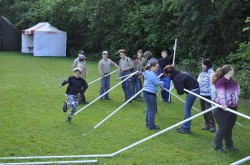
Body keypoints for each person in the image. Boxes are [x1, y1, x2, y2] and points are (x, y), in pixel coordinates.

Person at [212, 65, 240, 153]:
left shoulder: (233, 81)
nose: (234, 71)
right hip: (221, 109)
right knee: (222, 127)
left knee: (229, 127)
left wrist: (235, 99)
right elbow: (221, 94)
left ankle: (229, 145)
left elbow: (238, 92)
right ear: (229, 71)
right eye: (233, 70)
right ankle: (218, 146)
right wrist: (224, 105)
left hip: (233, 108)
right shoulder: (221, 82)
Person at [164, 65, 200, 134]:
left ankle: (186, 128)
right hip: (194, 87)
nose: (167, 76)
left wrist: (177, 87)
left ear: (169, 74)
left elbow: (180, 92)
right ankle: (184, 126)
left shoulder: (176, 78)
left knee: (187, 109)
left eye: (166, 75)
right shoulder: (177, 73)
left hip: (193, 90)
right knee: (187, 108)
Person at [143, 58, 164, 130]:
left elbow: (155, 80)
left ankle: (148, 123)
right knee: (152, 110)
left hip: (147, 93)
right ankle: (151, 126)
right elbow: (157, 82)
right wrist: (162, 83)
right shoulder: (151, 74)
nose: (157, 68)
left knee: (149, 109)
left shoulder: (148, 72)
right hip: (150, 94)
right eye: (156, 67)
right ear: (152, 67)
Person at [197, 59, 217, 132]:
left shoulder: (212, 73)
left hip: (208, 95)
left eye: (202, 64)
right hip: (201, 94)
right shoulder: (202, 73)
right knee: (203, 110)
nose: (201, 65)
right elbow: (198, 82)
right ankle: (207, 124)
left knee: (208, 110)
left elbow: (213, 86)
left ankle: (213, 126)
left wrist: (213, 97)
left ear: (206, 65)